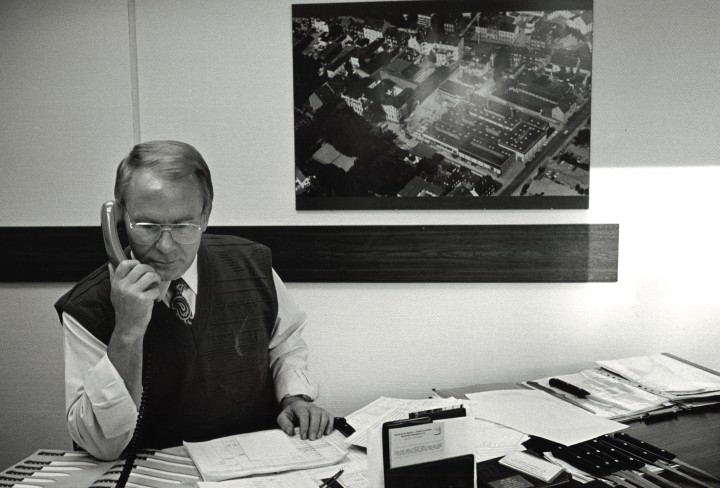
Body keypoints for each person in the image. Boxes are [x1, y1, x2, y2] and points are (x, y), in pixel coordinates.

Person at [55, 140, 333, 460]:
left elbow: (285, 343)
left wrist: (294, 398)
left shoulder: (251, 264)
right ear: (120, 222)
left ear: (205, 216)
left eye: (183, 225)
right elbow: (102, 445)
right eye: (147, 225)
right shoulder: (87, 307)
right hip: (153, 476)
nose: (166, 245)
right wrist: (127, 331)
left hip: (251, 467)